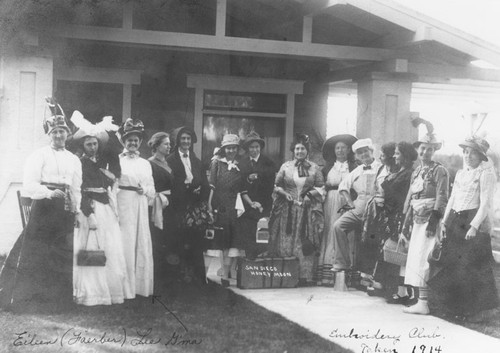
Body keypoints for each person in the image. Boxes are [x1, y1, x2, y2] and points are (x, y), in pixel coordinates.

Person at [0, 98, 82, 310]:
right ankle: (31, 300)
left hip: (63, 209)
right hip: (44, 209)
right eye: (54, 132)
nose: (58, 135)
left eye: (62, 131)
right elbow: (29, 184)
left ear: (67, 134)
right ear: (48, 135)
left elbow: (76, 188)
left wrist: (75, 208)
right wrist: (47, 193)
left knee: (61, 251)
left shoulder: (74, 159)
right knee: (39, 252)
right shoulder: (39, 155)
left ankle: (58, 302)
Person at [429, 136, 499, 322]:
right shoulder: (461, 173)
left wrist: (474, 227)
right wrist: (444, 222)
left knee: (469, 266)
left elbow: (485, 204)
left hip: (471, 219)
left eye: (472, 153)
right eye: (466, 152)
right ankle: (452, 307)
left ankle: (475, 310)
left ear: (480, 156)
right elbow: (452, 198)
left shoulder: (485, 174)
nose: (468, 156)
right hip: (455, 219)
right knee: (453, 263)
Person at [73, 124, 127, 306]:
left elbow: (112, 183)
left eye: (95, 143)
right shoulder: (79, 163)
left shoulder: (103, 163)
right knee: (90, 248)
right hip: (90, 209)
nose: (92, 147)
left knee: (109, 247)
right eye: (88, 144)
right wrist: (88, 213)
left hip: (105, 208)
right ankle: (91, 292)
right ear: (83, 146)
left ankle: (107, 291)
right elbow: (79, 191)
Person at [401, 130, 449, 315]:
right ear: (418, 149)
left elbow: (442, 196)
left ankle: (424, 302)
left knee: (425, 259)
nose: (425, 152)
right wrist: (404, 224)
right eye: (423, 148)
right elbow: (411, 198)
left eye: (429, 149)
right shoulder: (417, 172)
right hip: (416, 219)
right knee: (416, 257)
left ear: (434, 151)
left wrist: (434, 221)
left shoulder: (440, 170)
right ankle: (421, 301)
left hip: (429, 219)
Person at [268, 134, 325, 286]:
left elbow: (321, 186)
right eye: (297, 149)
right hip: (288, 209)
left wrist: (310, 195)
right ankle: (287, 274)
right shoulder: (286, 166)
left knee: (303, 240)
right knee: (287, 240)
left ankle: (304, 276)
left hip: (306, 209)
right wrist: (284, 193)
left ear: (307, 151)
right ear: (293, 150)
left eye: (303, 149)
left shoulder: (314, 168)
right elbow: (276, 185)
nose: (299, 151)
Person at [364, 142, 417, 301]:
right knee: (387, 249)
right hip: (389, 215)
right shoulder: (399, 171)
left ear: (405, 156)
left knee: (396, 251)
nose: (394, 156)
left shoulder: (409, 174)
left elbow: (403, 198)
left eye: (397, 153)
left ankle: (399, 291)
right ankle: (383, 285)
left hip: (398, 215)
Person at [117, 118, 155, 298]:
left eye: (136, 140)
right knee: (125, 241)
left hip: (139, 204)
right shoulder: (118, 161)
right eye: (129, 139)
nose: (133, 143)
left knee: (139, 241)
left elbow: (152, 189)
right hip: (123, 202)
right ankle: (123, 288)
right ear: (124, 141)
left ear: (140, 142)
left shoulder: (145, 163)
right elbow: (113, 184)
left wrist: (145, 189)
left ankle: (138, 288)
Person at [331, 138, 382, 273]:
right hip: (358, 208)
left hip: (376, 210)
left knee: (370, 240)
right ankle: (342, 263)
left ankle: (370, 274)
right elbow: (343, 187)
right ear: (357, 156)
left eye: (366, 151)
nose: (363, 155)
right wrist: (350, 203)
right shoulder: (357, 170)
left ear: (371, 152)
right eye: (360, 153)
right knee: (338, 226)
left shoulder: (381, 168)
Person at [166, 126, 209, 284]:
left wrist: (199, 193)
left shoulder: (197, 161)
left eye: (188, 139)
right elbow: (171, 184)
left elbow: (204, 182)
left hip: (195, 208)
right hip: (178, 207)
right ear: (177, 141)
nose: (186, 142)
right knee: (179, 242)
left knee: (195, 242)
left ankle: (196, 277)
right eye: (183, 139)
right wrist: (188, 189)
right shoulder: (170, 160)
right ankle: (179, 276)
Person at [316, 134, 357, 286]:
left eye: (343, 148)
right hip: (330, 202)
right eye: (337, 148)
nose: (340, 151)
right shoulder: (327, 168)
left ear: (348, 150)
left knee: (347, 233)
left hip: (347, 201)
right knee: (330, 232)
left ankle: (346, 273)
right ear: (334, 151)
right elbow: (321, 186)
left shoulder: (354, 167)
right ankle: (328, 274)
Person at [207, 134, 245, 287]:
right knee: (222, 241)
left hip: (235, 206)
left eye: (233, 148)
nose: (230, 150)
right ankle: (222, 272)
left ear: (237, 149)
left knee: (233, 240)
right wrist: (209, 205)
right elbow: (212, 185)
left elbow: (241, 187)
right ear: (224, 149)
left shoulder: (240, 165)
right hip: (219, 205)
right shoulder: (216, 163)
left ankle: (229, 273)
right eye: (228, 148)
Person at [359, 142, 398, 278]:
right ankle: (367, 275)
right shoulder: (382, 168)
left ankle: (379, 278)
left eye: (383, 155)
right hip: (375, 207)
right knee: (370, 239)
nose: (380, 157)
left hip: (387, 209)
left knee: (382, 242)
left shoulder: (396, 171)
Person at [239, 132, 277, 259]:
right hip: (248, 204)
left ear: (260, 147)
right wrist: (249, 180)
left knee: (262, 232)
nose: (254, 150)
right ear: (247, 148)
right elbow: (240, 183)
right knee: (248, 234)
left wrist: (260, 203)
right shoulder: (242, 163)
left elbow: (270, 185)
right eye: (251, 147)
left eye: (256, 147)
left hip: (263, 204)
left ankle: (261, 261)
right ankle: (250, 262)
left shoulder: (268, 163)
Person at [147, 132, 175, 286]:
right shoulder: (149, 163)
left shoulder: (168, 163)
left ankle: (165, 276)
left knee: (167, 238)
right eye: (166, 144)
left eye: (169, 143)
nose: (169, 146)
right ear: (157, 146)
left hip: (169, 206)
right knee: (156, 238)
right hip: (156, 206)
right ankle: (155, 276)